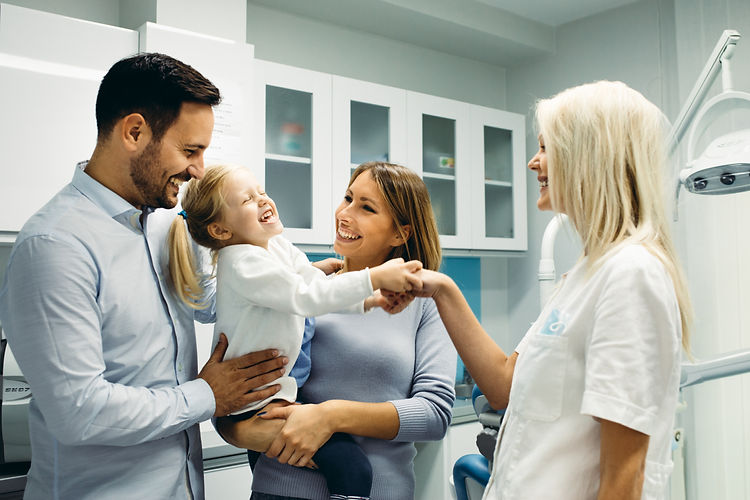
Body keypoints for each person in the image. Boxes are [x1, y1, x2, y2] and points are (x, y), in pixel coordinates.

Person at [0, 53, 288, 500]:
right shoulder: (55, 245)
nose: (198, 169)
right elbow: (79, 411)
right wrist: (207, 395)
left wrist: (276, 260)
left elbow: (211, 302)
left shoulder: (165, 225)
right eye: (190, 150)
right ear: (134, 132)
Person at [406, 81, 693, 500]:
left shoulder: (631, 274)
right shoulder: (583, 275)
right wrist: (442, 289)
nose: (532, 162)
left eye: (546, 147)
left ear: (589, 155)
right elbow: (504, 384)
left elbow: (624, 478)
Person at [167, 163, 424, 499]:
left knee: (345, 464)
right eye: (248, 200)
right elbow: (306, 297)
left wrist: (368, 300)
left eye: (261, 191)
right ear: (220, 231)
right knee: (351, 467)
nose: (263, 200)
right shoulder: (243, 262)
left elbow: (309, 282)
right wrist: (372, 281)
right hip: (256, 403)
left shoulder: (274, 246)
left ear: (400, 233)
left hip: (279, 395)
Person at [245, 161, 457, 499]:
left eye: (366, 207)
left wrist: (331, 416)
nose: (345, 214)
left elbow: (434, 413)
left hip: (380, 491)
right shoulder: (303, 291)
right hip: (280, 488)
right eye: (347, 198)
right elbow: (244, 388)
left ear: (400, 233)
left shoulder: (427, 304)